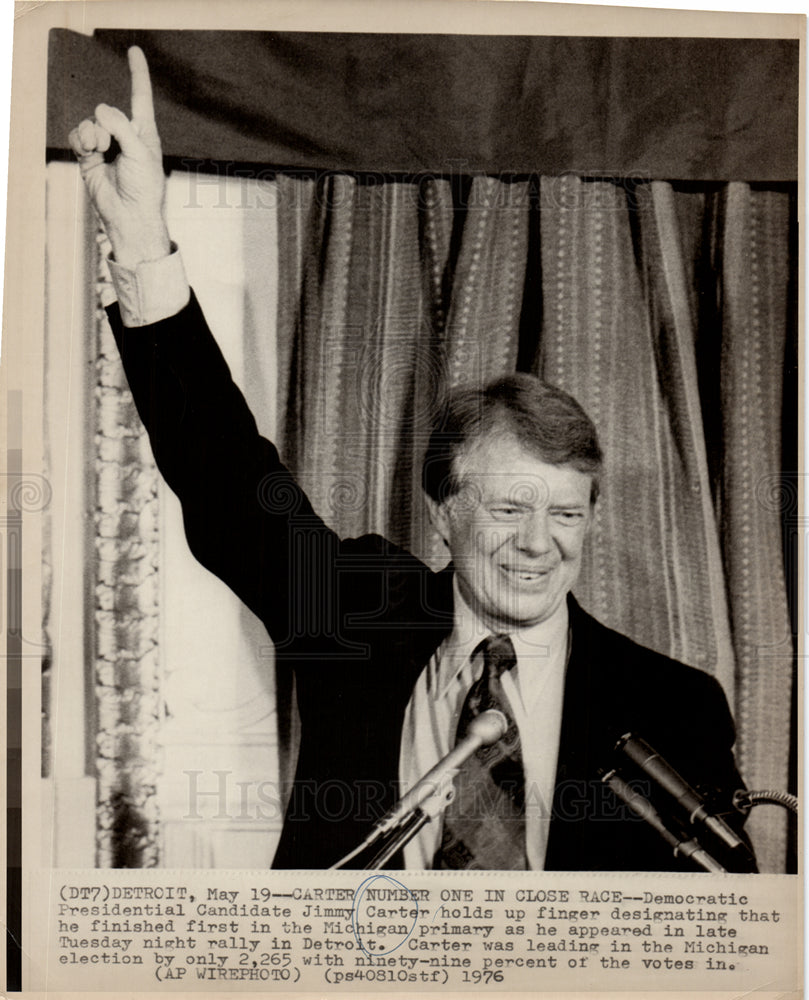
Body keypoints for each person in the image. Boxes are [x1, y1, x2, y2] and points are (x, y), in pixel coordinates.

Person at [69, 47, 754, 872]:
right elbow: (224, 476)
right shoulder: (355, 618)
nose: (540, 545)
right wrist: (142, 240)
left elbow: (723, 942)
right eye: (508, 508)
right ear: (444, 510)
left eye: (565, 513)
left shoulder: (669, 706)